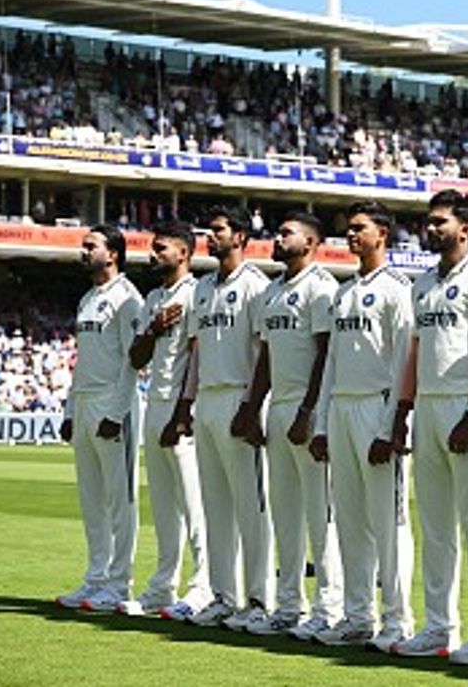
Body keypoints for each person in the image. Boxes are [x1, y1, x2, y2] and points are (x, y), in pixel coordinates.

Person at [391, 190, 468, 665]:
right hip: (428, 410)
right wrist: (401, 411)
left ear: (465, 229)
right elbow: (416, 354)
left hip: (465, 408)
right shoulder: (421, 284)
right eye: (428, 221)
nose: (431, 228)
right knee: (435, 526)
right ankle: (439, 627)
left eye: (440, 222)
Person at [309, 201, 416, 651]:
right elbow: (331, 359)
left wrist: (393, 423)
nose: (350, 236)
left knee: (388, 522)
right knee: (348, 521)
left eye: (359, 229)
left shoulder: (398, 288)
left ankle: (397, 621)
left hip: (377, 408)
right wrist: (320, 423)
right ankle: (357, 617)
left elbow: (403, 359)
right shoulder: (343, 291)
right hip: (341, 409)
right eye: (347, 229)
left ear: (382, 234)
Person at [233, 210, 343, 638]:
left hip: (306, 409)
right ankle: (290, 604)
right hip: (277, 408)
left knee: (321, 514)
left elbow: (324, 355)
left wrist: (308, 412)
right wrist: (251, 408)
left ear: (310, 243)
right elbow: (264, 359)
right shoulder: (271, 292)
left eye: (285, 233)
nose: (276, 239)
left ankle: (328, 607)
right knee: (286, 514)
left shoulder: (320, 288)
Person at [181, 206, 273, 629]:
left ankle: (260, 601)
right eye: (208, 230)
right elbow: (196, 351)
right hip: (208, 401)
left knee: (252, 506)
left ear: (239, 237)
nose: (209, 237)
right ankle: (223, 596)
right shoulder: (201, 287)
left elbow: (264, 352)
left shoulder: (257, 285)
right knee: (215, 505)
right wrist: (186, 403)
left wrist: (252, 408)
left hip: (241, 398)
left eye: (217, 230)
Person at [56, 225, 144, 614]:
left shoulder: (127, 298)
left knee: (120, 500)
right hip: (86, 401)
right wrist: (70, 410)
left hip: (113, 403)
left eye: (91, 246)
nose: (83, 251)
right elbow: (82, 362)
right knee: (92, 501)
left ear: (113, 254)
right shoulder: (87, 299)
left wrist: (117, 411)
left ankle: (119, 584)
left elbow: (133, 362)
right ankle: (95, 579)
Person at [127, 219, 210, 620]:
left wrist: (183, 411)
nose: (153, 254)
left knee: (195, 505)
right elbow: (135, 358)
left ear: (184, 252)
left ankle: (203, 587)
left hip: (182, 409)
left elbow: (196, 355)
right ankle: (162, 586)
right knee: (163, 507)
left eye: (161, 248)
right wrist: (155, 329)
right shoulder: (153, 298)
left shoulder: (196, 293)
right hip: (153, 403)